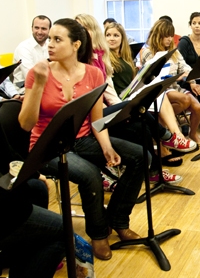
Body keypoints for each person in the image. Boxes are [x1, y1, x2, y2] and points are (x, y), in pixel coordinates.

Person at [19, 18, 147, 260]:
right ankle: (98, 234)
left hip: (82, 139)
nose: (50, 45)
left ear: (76, 44)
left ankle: (118, 220)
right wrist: (38, 85)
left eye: (58, 39)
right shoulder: (39, 72)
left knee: (142, 156)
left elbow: (97, 121)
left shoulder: (93, 73)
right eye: (50, 40)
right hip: (46, 147)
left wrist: (107, 147)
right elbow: (25, 124)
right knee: (90, 175)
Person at [0, 38, 65, 278]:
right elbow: (6, 159)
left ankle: (1, 257)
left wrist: (35, 176)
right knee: (62, 232)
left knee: (35, 189)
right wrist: (36, 170)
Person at [104, 21, 195, 172]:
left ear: (122, 38)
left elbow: (132, 80)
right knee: (159, 97)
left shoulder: (125, 57)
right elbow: (109, 89)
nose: (111, 38)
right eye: (108, 35)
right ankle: (174, 137)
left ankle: (173, 137)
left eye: (116, 35)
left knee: (159, 93)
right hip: (120, 101)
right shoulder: (106, 59)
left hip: (129, 95)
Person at [142, 19, 200, 147]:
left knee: (198, 108)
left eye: (171, 35)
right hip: (160, 89)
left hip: (174, 87)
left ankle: (191, 133)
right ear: (158, 35)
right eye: (166, 35)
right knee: (185, 100)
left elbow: (185, 68)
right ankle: (169, 130)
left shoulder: (174, 52)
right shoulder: (148, 52)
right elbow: (154, 77)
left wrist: (192, 82)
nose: (170, 39)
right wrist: (177, 77)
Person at [12, 15, 51, 93]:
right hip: (25, 89)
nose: (39, 32)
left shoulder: (50, 45)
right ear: (32, 28)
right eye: (36, 28)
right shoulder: (23, 48)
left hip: (46, 87)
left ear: (49, 30)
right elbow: (31, 77)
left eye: (43, 29)